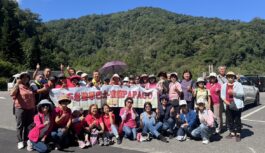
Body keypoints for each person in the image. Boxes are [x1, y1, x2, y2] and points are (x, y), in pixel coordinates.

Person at [10, 72, 36, 149]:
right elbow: (12, 93)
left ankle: (26, 139)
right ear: (20, 79)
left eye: (27, 77)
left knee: (29, 126)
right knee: (20, 125)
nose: (25, 79)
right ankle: (20, 141)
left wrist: (33, 107)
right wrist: (17, 84)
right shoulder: (18, 86)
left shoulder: (29, 86)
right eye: (23, 77)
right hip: (20, 108)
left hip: (30, 109)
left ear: (28, 78)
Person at [221, 71, 244, 142]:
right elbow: (222, 95)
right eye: (228, 76)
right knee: (229, 119)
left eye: (231, 76)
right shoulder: (224, 85)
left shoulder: (238, 84)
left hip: (236, 104)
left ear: (234, 77)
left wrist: (234, 93)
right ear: (227, 77)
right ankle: (232, 132)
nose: (230, 78)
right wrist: (225, 101)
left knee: (237, 119)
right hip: (228, 104)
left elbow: (242, 94)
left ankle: (238, 133)